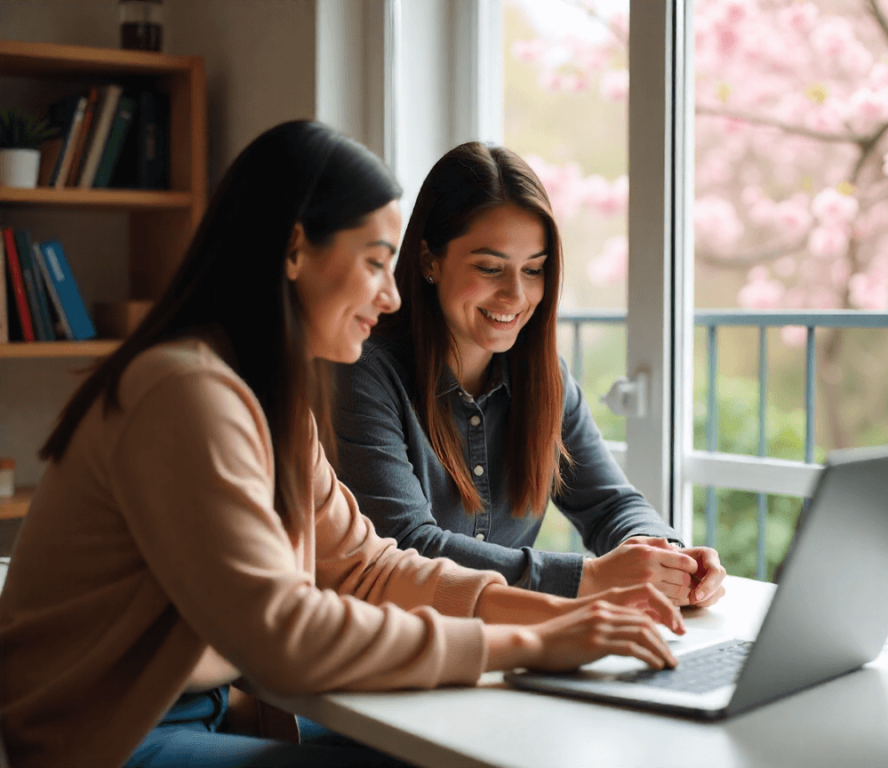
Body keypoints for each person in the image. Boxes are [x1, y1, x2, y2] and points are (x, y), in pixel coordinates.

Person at [0, 122, 685, 768]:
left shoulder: (268, 396)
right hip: (105, 740)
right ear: (295, 251)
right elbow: (282, 635)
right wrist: (533, 642)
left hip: (196, 712)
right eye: (374, 263)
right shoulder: (184, 392)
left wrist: (564, 615)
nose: (390, 297)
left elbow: (367, 569)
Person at [333, 142, 727, 606]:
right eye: (489, 267)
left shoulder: (542, 377)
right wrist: (590, 577)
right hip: (394, 651)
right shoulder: (364, 374)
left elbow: (610, 505)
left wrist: (669, 558)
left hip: (508, 645)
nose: (515, 295)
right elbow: (407, 547)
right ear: (428, 262)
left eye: (534, 269)